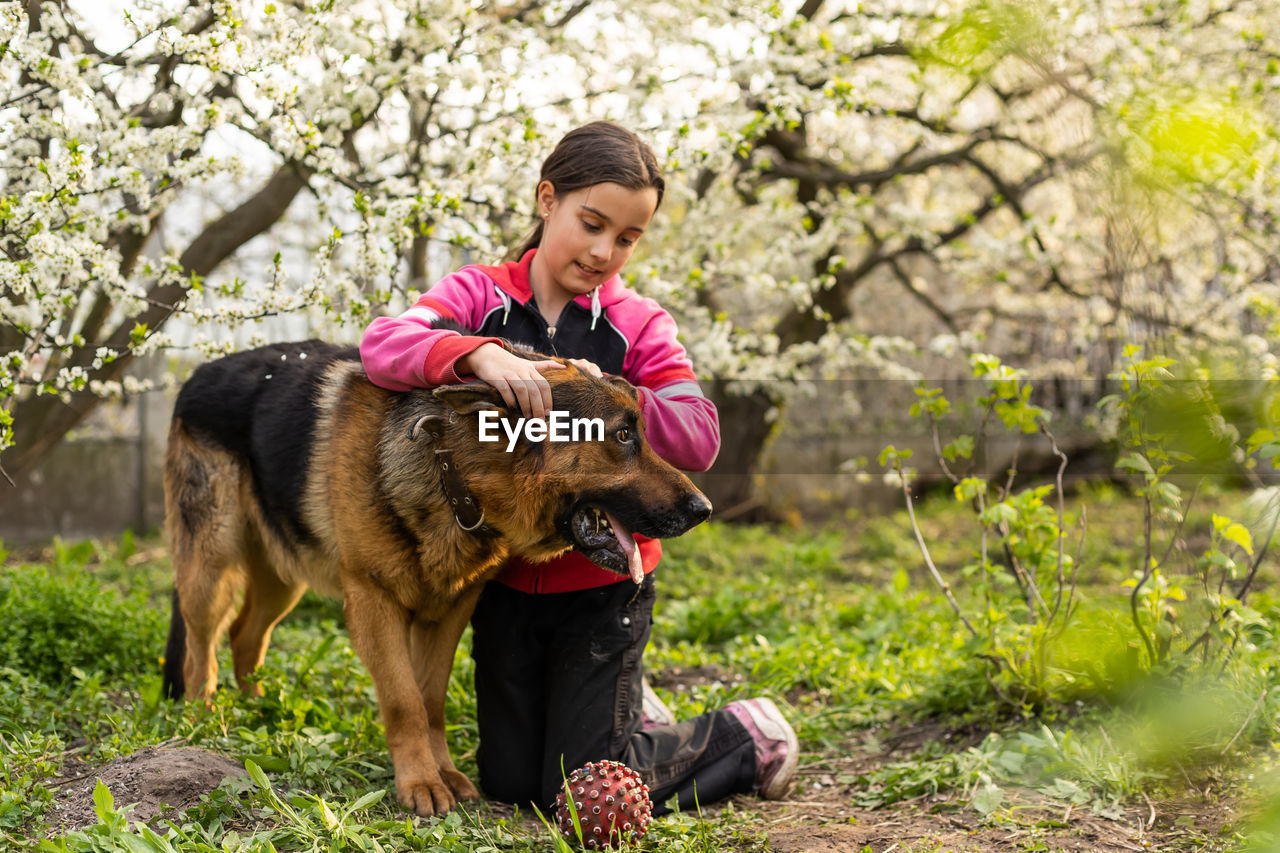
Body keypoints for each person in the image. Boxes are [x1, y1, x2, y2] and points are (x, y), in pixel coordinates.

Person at [359, 120, 797, 815]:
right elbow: (384, 343)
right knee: (509, 782)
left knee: (576, 791)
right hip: (501, 584)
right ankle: (624, 714)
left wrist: (606, 396)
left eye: (627, 237)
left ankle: (744, 736)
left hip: (603, 586)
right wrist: (475, 353)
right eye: (591, 223)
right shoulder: (480, 296)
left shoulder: (638, 324)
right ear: (546, 200)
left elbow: (699, 435)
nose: (604, 251)